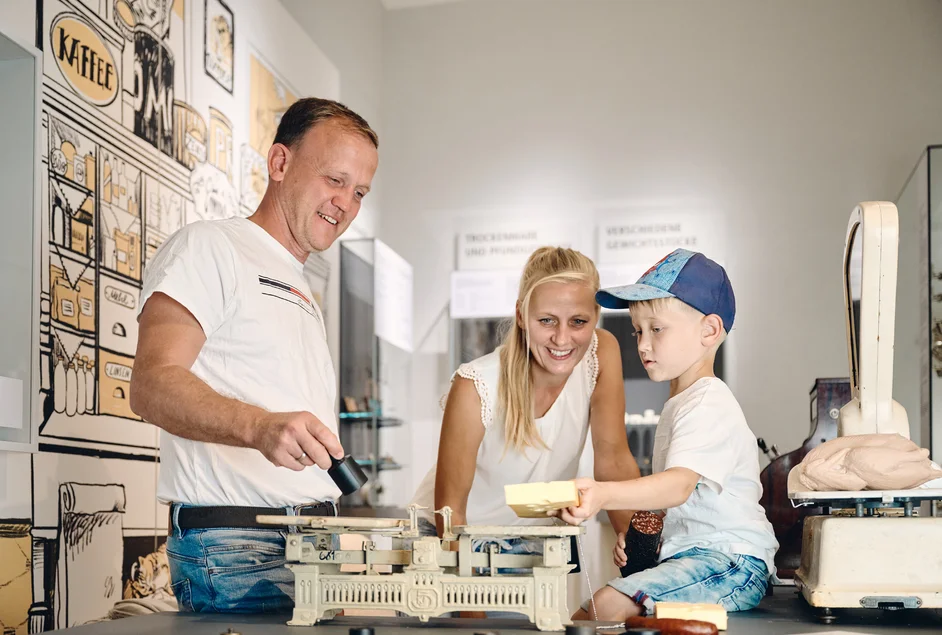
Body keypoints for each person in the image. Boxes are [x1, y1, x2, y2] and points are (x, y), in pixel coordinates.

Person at [129, 98, 379, 613]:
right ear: (280, 163)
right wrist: (259, 427)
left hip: (310, 542)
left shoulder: (299, 283)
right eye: (335, 180)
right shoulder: (210, 247)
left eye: (359, 192)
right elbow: (151, 384)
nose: (346, 204)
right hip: (238, 547)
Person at [558, 248, 778, 621]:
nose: (642, 344)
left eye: (656, 329)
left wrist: (604, 494)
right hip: (698, 557)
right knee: (592, 612)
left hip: (731, 561)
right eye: (637, 331)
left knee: (606, 607)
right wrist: (644, 539)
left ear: (709, 330)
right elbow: (683, 504)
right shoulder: (681, 403)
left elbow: (677, 486)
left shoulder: (707, 401)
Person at [411, 246, 641, 545]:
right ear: (521, 315)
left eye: (578, 322)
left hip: (530, 536)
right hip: (449, 535)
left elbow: (613, 460)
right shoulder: (475, 385)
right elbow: (450, 512)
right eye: (546, 320)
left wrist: (640, 551)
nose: (561, 338)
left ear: (596, 317)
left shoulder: (602, 352)